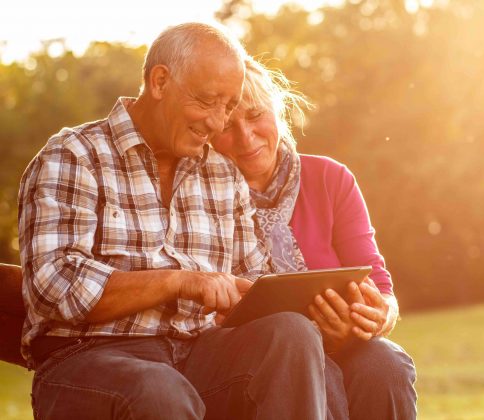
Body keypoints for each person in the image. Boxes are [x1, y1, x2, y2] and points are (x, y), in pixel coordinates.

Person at [18, 22, 335, 420]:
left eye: (229, 106)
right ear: (160, 81)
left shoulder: (223, 174)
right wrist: (179, 280)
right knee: (159, 391)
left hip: (196, 355)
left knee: (290, 333)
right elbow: (54, 286)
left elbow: (255, 276)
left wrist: (274, 298)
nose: (219, 123)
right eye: (207, 101)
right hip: (87, 358)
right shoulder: (73, 156)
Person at [212, 57, 418, 419]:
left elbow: (381, 286)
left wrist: (376, 316)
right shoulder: (202, 194)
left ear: (279, 112)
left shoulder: (330, 178)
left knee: (387, 365)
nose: (246, 137)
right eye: (229, 125)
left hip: (344, 344)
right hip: (260, 355)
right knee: (321, 372)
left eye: (257, 114)